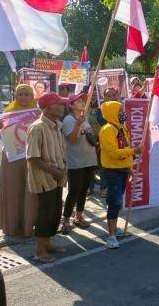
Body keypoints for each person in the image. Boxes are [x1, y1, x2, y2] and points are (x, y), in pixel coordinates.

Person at [0, 84, 38, 237]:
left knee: (30, 192)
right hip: (12, 158)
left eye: (26, 94)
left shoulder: (38, 114)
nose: (23, 97)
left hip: (32, 158)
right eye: (20, 95)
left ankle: (28, 227)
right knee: (12, 191)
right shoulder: (7, 113)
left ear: (32, 96)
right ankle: (12, 227)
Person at [26, 92, 68, 263]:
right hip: (44, 179)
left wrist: (60, 172)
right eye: (58, 104)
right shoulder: (37, 127)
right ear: (47, 107)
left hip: (57, 177)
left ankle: (48, 244)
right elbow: (33, 157)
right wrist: (54, 171)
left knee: (55, 212)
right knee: (45, 213)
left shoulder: (57, 125)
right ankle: (40, 250)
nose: (62, 107)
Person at [99, 101, 143, 249]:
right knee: (114, 202)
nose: (123, 113)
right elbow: (113, 153)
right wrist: (134, 151)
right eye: (120, 110)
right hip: (112, 172)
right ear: (112, 112)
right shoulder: (107, 130)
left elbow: (125, 147)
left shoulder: (122, 128)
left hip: (122, 170)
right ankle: (111, 236)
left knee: (117, 202)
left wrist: (130, 167)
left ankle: (114, 228)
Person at [59, 93, 98, 234]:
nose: (82, 102)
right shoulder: (69, 120)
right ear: (71, 105)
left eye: (82, 100)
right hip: (76, 162)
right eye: (78, 101)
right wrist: (77, 124)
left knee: (84, 190)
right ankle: (66, 219)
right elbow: (72, 140)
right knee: (74, 191)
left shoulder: (84, 118)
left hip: (89, 160)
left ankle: (79, 215)